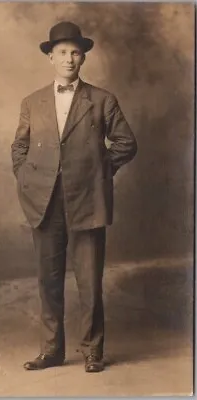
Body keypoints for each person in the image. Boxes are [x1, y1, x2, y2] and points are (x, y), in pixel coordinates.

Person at [11, 21, 137, 373]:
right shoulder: (31, 102)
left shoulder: (102, 100)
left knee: (90, 283)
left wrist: (100, 172)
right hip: (44, 204)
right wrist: (24, 177)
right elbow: (19, 146)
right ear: (51, 57)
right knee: (48, 281)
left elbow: (127, 143)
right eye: (62, 52)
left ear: (83, 58)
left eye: (75, 53)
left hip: (87, 203)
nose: (69, 59)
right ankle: (51, 351)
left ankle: (92, 351)